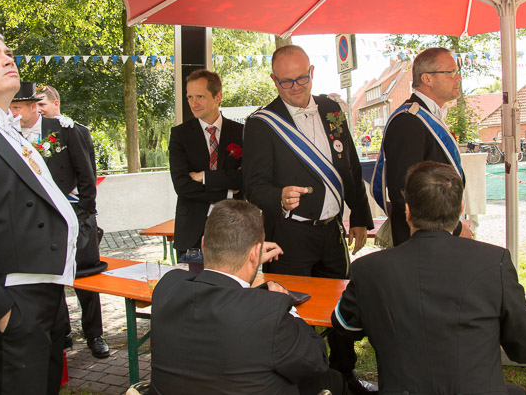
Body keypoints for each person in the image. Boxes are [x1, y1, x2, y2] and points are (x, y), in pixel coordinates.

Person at [332, 161, 526, 394]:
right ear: (461, 209)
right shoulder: (495, 262)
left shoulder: (369, 269)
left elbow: (344, 325)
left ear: (407, 211)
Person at [243, 45, 375, 393]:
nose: (295, 88)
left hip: (331, 233)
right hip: (289, 237)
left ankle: (343, 375)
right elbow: (253, 186)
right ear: (274, 80)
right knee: (291, 314)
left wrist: (359, 217)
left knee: (342, 309)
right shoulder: (261, 123)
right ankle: (302, 382)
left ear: (312, 72)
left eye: (302, 78)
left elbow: (350, 166)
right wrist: (278, 196)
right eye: (286, 82)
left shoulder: (332, 109)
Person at [0, 28, 78, 394]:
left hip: (45, 297)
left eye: (8, 53)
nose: (8, 59)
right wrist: (0, 312)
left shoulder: (6, 130)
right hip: (11, 302)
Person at [149, 199, 348, 395]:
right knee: (333, 379)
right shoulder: (270, 311)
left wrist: (247, 259)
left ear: (203, 245)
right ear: (256, 252)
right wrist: (290, 309)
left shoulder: (167, 289)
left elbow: (219, 290)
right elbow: (316, 360)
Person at [35, 84, 110, 359]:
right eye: (34, 106)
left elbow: (88, 174)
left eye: (42, 104)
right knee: (54, 278)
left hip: (77, 213)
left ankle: (95, 334)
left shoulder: (73, 130)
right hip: (47, 217)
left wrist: (86, 213)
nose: (38, 110)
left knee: (86, 275)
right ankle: (64, 333)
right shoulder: (26, 134)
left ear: (55, 103)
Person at [373, 47, 472, 246]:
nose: (458, 78)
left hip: (437, 236)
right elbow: (405, 192)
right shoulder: (408, 122)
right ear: (427, 78)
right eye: (451, 72)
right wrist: (456, 228)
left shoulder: (427, 115)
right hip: (421, 242)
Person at [169, 69, 243, 260]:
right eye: (190, 97)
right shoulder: (180, 135)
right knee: (193, 280)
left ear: (218, 96)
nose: (193, 103)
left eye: (200, 96)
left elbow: (245, 178)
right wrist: (228, 193)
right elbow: (182, 185)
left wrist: (205, 177)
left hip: (235, 230)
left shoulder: (241, 132)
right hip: (192, 234)